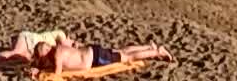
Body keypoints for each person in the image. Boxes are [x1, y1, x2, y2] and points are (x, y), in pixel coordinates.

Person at [34, 36, 170, 75]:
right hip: (93, 53)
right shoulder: (58, 49)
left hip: (96, 58)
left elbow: (57, 73)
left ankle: (158, 52)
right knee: (121, 51)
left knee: (129, 57)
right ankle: (148, 47)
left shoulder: (57, 54)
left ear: (45, 52)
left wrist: (40, 72)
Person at [0, 30, 70, 75]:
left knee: (13, 61)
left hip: (31, 53)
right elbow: (63, 47)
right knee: (15, 52)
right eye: (73, 44)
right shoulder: (61, 34)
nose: (72, 47)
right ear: (69, 38)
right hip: (30, 40)